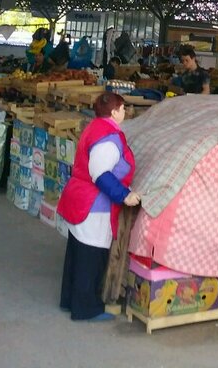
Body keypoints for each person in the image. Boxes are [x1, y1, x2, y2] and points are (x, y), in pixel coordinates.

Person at [56, 92, 140, 321]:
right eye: (122, 108)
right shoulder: (108, 138)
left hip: (81, 197)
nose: (125, 112)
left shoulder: (96, 127)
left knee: (77, 253)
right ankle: (86, 309)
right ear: (114, 112)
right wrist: (124, 195)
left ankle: (69, 300)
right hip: (94, 205)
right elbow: (100, 173)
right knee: (91, 258)